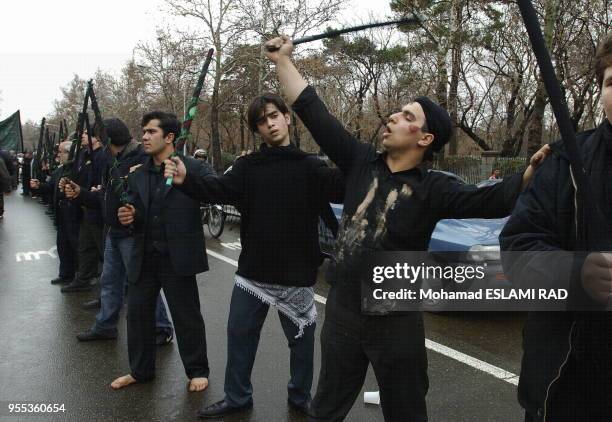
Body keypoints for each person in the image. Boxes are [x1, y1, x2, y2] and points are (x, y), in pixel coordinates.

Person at [263, 35, 550, 421]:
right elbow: (312, 109)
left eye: (407, 116)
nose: (394, 117)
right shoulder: (361, 160)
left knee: (406, 410)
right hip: (344, 310)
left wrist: (529, 173)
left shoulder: (434, 188)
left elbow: (493, 200)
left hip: (396, 317)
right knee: (326, 407)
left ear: (424, 138)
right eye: (397, 112)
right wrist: (282, 60)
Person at [164, 93, 343, 419]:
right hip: (253, 274)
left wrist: (358, 157)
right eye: (261, 120)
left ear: (287, 118)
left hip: (297, 274)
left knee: (301, 344)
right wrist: (184, 181)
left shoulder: (312, 168)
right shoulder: (248, 167)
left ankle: (300, 397)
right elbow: (216, 190)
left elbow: (346, 185)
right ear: (257, 129)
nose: (270, 123)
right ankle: (237, 397)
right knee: (239, 335)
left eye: (274, 115)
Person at [499, 32, 612, 422]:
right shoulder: (565, 161)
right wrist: (575, 270)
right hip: (562, 382)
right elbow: (516, 248)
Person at [110, 111, 210, 393]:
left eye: (151, 132)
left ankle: (197, 370)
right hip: (144, 255)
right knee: (138, 314)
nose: (143, 136)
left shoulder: (191, 168)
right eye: (143, 131)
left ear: (169, 137)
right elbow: (139, 211)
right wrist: (129, 216)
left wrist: (188, 179)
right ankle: (140, 371)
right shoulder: (138, 172)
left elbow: (214, 191)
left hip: (178, 257)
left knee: (186, 315)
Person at [64, 118, 174, 344]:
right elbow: (106, 194)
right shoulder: (109, 160)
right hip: (113, 231)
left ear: (107, 138)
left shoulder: (142, 158)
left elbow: (154, 195)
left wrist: (136, 213)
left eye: (97, 136)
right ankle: (105, 325)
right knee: (110, 281)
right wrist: (82, 193)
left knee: (141, 282)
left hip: (134, 233)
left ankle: (161, 328)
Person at [60, 128, 106, 293]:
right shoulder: (83, 155)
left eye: (86, 134)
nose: (82, 136)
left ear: (96, 138)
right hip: (84, 206)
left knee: (104, 250)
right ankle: (83, 279)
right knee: (85, 247)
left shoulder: (102, 155)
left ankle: (112, 290)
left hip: (96, 208)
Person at [30, 141, 81, 285]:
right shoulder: (60, 170)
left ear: (69, 153)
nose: (58, 155)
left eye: (61, 152)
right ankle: (65, 274)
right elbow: (50, 187)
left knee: (74, 245)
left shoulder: (77, 169)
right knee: (62, 245)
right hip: (61, 212)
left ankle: (78, 276)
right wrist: (38, 186)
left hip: (73, 212)